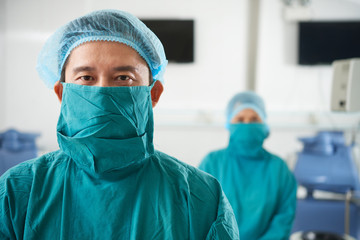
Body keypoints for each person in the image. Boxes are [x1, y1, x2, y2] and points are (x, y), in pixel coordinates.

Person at [0, 10, 239, 240]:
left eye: (123, 78)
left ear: (152, 93)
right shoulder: (16, 192)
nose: (103, 92)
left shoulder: (201, 198)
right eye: (86, 78)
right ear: (62, 93)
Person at [199, 91, 297, 240]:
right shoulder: (212, 163)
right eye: (239, 119)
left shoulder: (279, 169)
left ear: (264, 124)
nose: (247, 124)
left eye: (254, 119)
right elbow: (200, 213)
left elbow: (283, 219)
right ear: (229, 124)